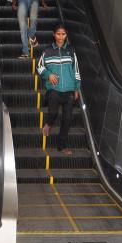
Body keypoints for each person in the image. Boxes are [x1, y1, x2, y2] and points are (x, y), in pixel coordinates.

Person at [37, 23, 81, 155]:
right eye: (58, 34)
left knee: (67, 119)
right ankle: (49, 124)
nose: (61, 37)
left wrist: (76, 88)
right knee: (53, 113)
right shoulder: (47, 51)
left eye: (63, 34)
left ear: (66, 35)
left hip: (68, 90)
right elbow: (39, 67)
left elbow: (76, 71)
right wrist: (48, 74)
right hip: (54, 90)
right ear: (54, 35)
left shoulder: (71, 51)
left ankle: (61, 146)